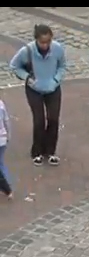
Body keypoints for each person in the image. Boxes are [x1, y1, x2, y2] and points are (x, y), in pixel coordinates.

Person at [9, 24, 66, 166]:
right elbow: (14, 66)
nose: (45, 45)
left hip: (53, 88)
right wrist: (27, 78)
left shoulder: (58, 49)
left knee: (53, 119)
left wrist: (56, 79)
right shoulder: (27, 51)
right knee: (39, 120)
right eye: (42, 42)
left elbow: (62, 66)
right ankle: (37, 152)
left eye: (48, 42)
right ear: (36, 40)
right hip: (34, 89)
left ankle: (50, 151)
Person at [0, 98, 12, 200]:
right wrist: (9, 134)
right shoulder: (1, 104)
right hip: (3, 139)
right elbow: (6, 120)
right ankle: (7, 182)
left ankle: (6, 188)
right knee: (1, 163)